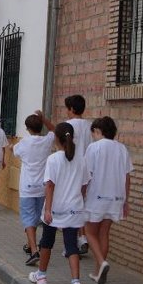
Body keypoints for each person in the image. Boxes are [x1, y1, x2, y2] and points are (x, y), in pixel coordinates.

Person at [28, 122, 89, 284]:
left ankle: (41, 275)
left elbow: (49, 186)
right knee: (71, 246)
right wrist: (79, 199)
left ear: (57, 139)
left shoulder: (53, 160)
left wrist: (47, 209)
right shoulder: (81, 159)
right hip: (74, 209)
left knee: (47, 242)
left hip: (55, 210)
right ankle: (76, 283)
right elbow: (85, 185)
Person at [84, 116, 133, 284]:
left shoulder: (94, 148)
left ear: (98, 131)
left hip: (96, 197)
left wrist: (81, 194)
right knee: (104, 233)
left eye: (94, 133)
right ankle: (98, 272)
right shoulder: (122, 149)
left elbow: (87, 175)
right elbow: (127, 177)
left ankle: (102, 262)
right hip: (116, 198)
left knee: (89, 232)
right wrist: (125, 200)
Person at [41, 95, 92, 254]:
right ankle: (80, 239)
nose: (66, 112)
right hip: (84, 171)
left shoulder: (67, 126)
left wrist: (43, 119)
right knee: (78, 204)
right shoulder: (90, 126)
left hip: (68, 167)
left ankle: (72, 245)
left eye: (67, 109)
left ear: (72, 109)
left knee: (65, 207)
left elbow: (56, 132)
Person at [13, 113, 55, 266]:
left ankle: (34, 250)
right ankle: (30, 245)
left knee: (28, 220)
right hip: (42, 188)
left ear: (28, 128)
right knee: (36, 218)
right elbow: (55, 131)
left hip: (27, 188)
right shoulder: (47, 141)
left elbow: (15, 151)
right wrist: (44, 118)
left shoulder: (24, 143)